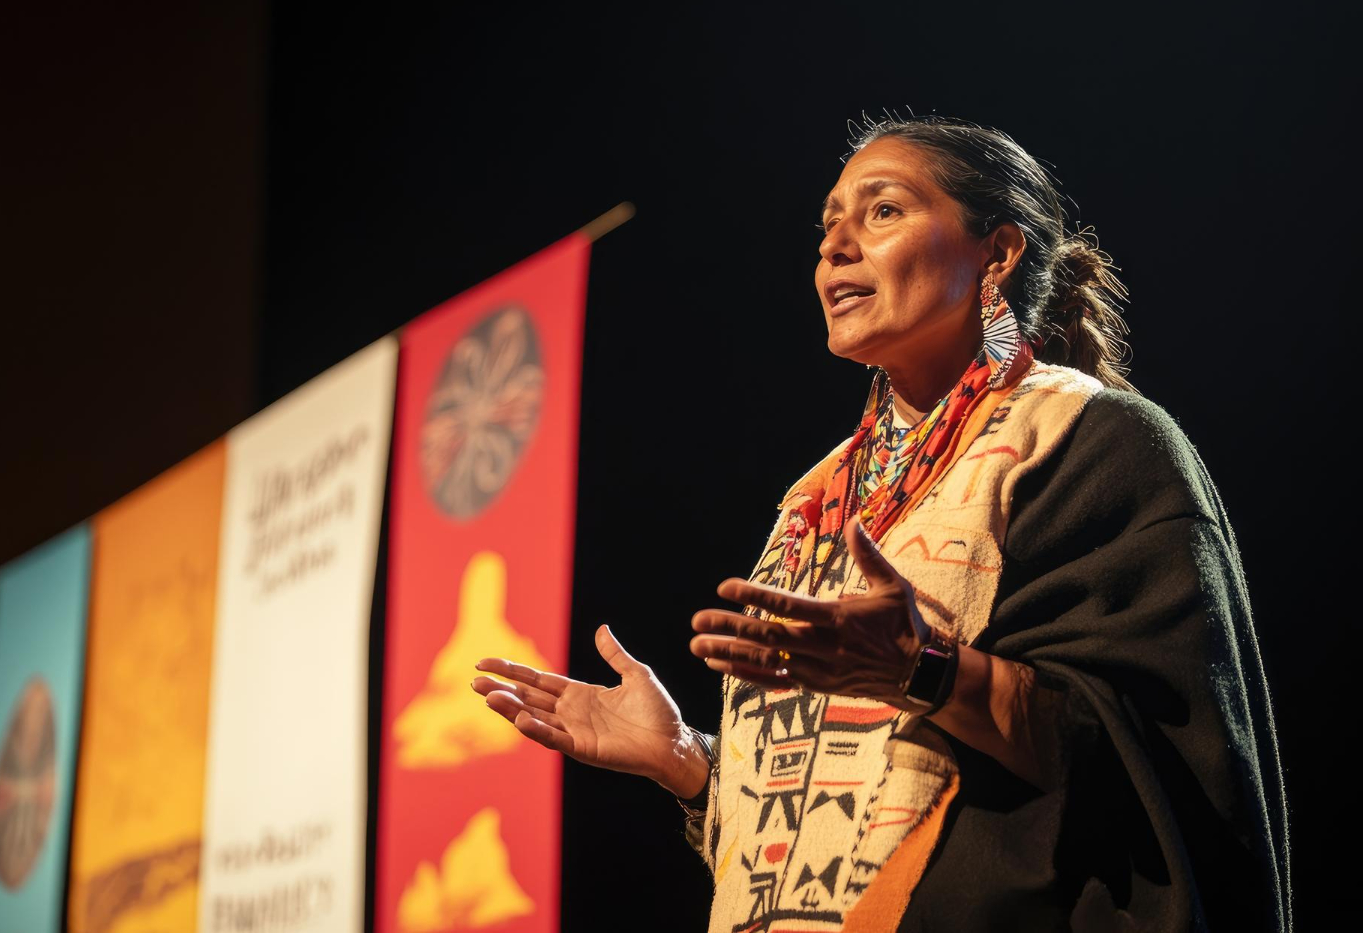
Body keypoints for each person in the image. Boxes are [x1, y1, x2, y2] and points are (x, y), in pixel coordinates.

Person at [471, 113, 1291, 932]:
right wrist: (693, 764)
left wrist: (926, 667)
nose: (835, 246)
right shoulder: (817, 498)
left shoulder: (1094, 442)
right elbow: (858, 795)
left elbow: (1160, 764)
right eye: (827, 225)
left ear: (997, 253)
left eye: (883, 211)